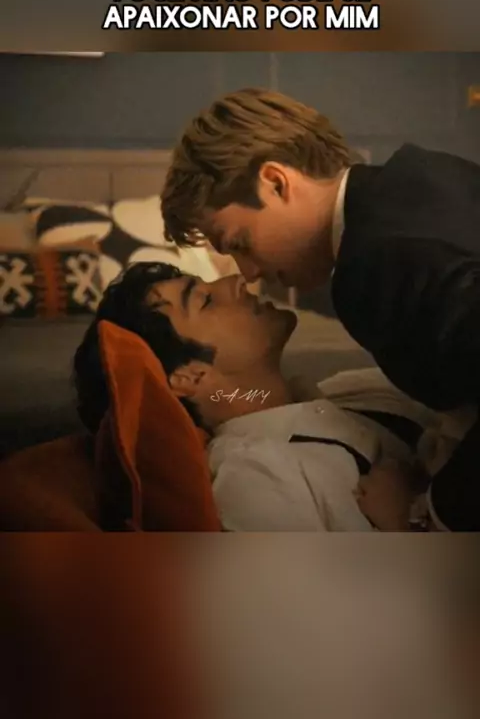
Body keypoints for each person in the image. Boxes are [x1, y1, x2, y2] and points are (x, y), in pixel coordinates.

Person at [160, 87, 480, 531]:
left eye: (239, 243)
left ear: (276, 183)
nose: (247, 274)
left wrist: (428, 515)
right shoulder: (424, 173)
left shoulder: (376, 264)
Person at [74, 262, 457, 532]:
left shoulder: (352, 389)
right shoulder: (254, 478)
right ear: (190, 376)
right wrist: (405, 526)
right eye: (205, 300)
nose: (234, 280)